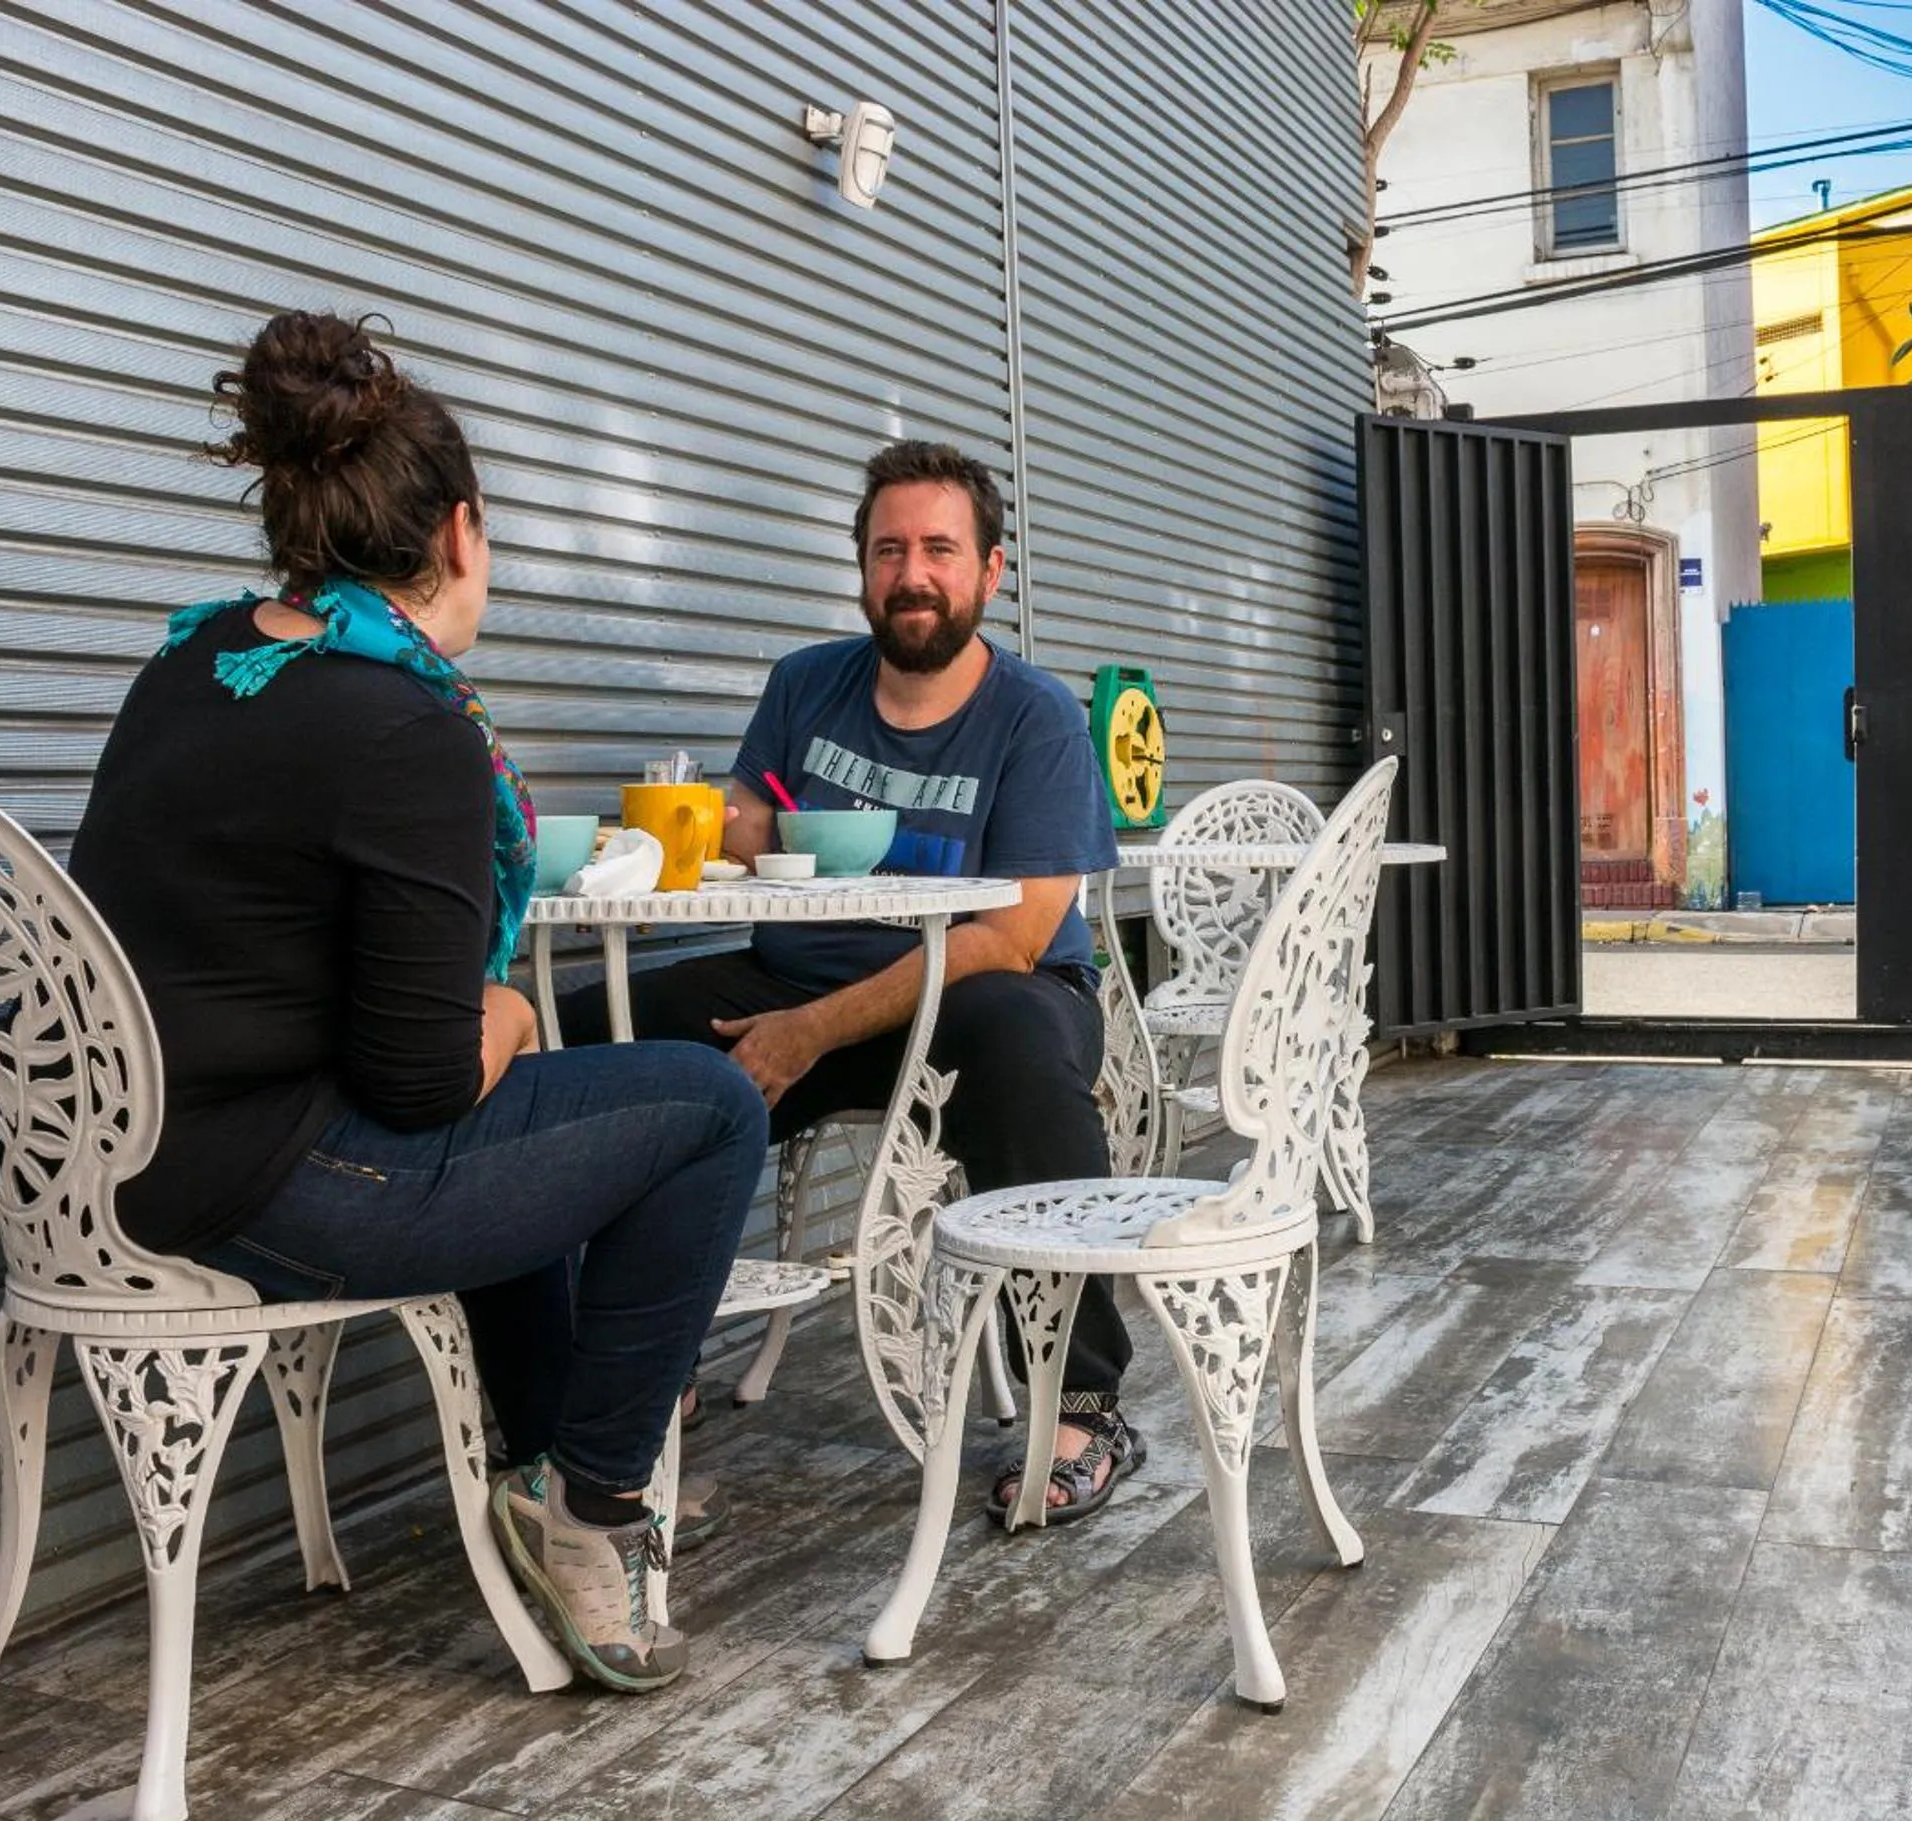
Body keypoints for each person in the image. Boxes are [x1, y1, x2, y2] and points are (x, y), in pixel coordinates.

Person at [70, 309, 763, 1694]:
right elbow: (426, 1085)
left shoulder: (193, 666)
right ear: (461, 531)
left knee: (548, 1127)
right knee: (708, 1105)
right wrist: (506, 1017)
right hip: (264, 1189)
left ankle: (534, 1457)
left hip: (116, 1167)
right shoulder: (407, 725)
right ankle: (590, 1505)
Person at [559, 440, 1141, 1525]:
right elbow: (744, 824)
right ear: (860, 567)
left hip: (978, 1003)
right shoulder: (804, 683)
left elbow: (1009, 938)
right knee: (593, 1031)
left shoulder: (1037, 717)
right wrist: (732, 827)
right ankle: (626, 1375)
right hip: (794, 982)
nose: (910, 573)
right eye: (887, 550)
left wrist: (807, 1032)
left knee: (1014, 1032)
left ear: (989, 570)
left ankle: (1082, 1399)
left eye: (937, 549)